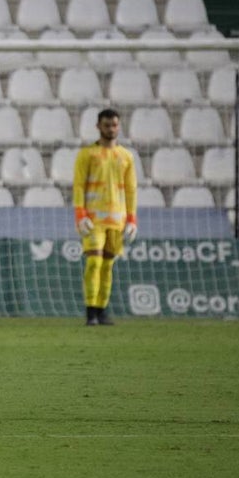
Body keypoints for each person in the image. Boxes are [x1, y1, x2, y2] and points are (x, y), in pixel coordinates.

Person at [72, 108, 138, 326]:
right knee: (94, 262)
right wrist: (80, 214)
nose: (111, 129)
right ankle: (90, 312)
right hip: (93, 220)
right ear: (98, 127)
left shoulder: (126, 157)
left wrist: (132, 219)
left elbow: (131, 190)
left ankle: (102, 310)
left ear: (119, 127)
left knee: (108, 266)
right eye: (107, 125)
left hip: (117, 221)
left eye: (114, 125)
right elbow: (79, 186)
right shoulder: (87, 154)